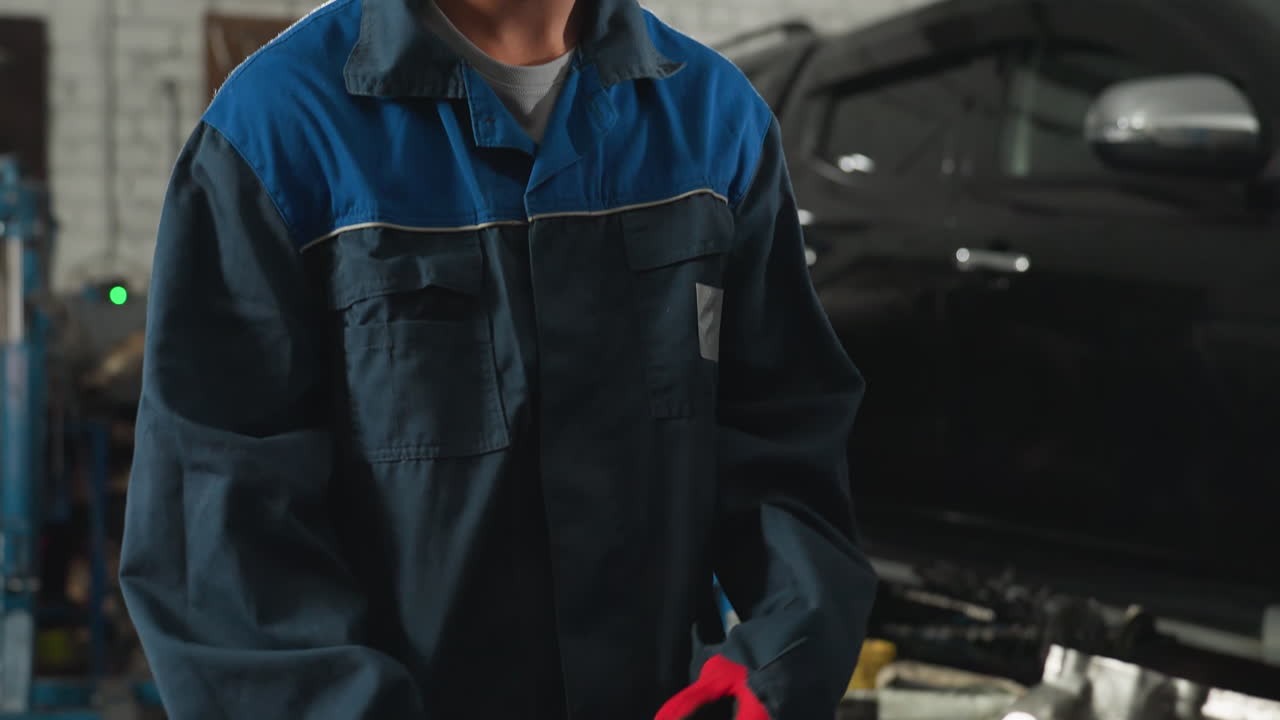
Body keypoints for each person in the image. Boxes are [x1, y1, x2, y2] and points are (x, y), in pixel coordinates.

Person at [118, 0, 878, 718]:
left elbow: (787, 455)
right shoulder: (279, 135)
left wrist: (767, 677)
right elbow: (219, 543)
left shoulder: (714, 125)